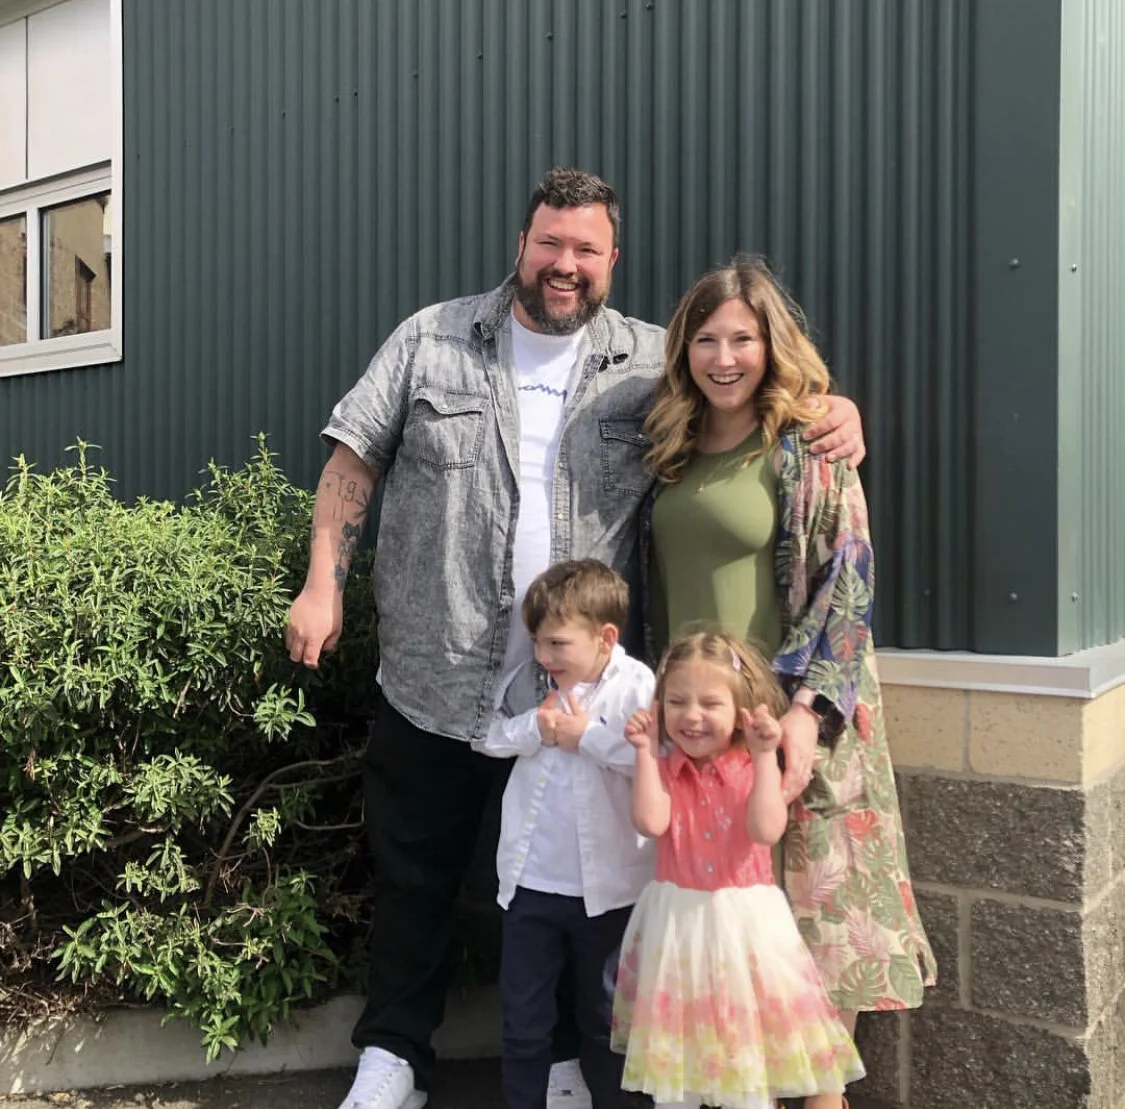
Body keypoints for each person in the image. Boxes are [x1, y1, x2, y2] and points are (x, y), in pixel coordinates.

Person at [284, 169, 866, 1109]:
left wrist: (828, 410)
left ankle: (561, 1058)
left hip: (587, 698)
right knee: (415, 879)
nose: (565, 264)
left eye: (586, 250)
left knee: (576, 884)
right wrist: (323, 583)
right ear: (521, 243)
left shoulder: (647, 362)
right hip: (436, 678)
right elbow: (353, 456)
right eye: (550, 243)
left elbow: (739, 394)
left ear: (611, 260)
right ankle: (393, 1055)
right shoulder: (431, 339)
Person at [641, 258, 937, 1109]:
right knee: (727, 943)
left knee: (810, 939)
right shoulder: (667, 447)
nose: (723, 358)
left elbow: (849, 585)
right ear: (682, 349)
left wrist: (807, 713)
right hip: (699, 734)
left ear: (772, 345)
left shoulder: (808, 446)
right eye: (705, 340)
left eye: (742, 339)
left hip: (792, 723)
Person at [612, 631, 865, 1109]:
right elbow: (650, 821)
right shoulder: (665, 769)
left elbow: (766, 829)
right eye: (677, 702)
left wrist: (766, 756)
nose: (692, 716)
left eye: (711, 703)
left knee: (746, 1053)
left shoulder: (751, 767)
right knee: (680, 1056)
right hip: (678, 926)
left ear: (741, 709)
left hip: (744, 925)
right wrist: (644, 752)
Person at [475, 559, 655, 1109]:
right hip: (531, 886)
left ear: (606, 638)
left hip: (609, 894)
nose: (543, 656)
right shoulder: (530, 682)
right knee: (524, 1022)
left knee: (607, 1022)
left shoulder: (637, 686)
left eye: (557, 644)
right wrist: (536, 727)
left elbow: (656, 762)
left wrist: (587, 737)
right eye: (537, 642)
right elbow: (486, 736)